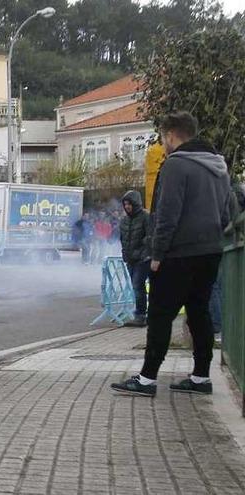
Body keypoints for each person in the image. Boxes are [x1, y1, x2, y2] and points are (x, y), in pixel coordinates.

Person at [112, 111, 232, 397]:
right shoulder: (219, 166)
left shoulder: (176, 166)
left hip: (178, 254)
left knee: (160, 313)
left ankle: (147, 378)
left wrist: (156, 253)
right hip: (211, 250)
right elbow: (228, 212)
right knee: (198, 312)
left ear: (171, 135)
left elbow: (166, 215)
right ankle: (201, 377)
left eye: (163, 138)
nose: (163, 144)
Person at [119, 190, 150, 327]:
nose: (127, 206)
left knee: (138, 285)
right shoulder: (124, 220)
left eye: (129, 204)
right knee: (136, 286)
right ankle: (141, 314)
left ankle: (141, 315)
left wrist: (143, 253)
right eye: (125, 204)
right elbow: (123, 238)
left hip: (143, 259)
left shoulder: (145, 217)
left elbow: (149, 237)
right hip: (130, 258)